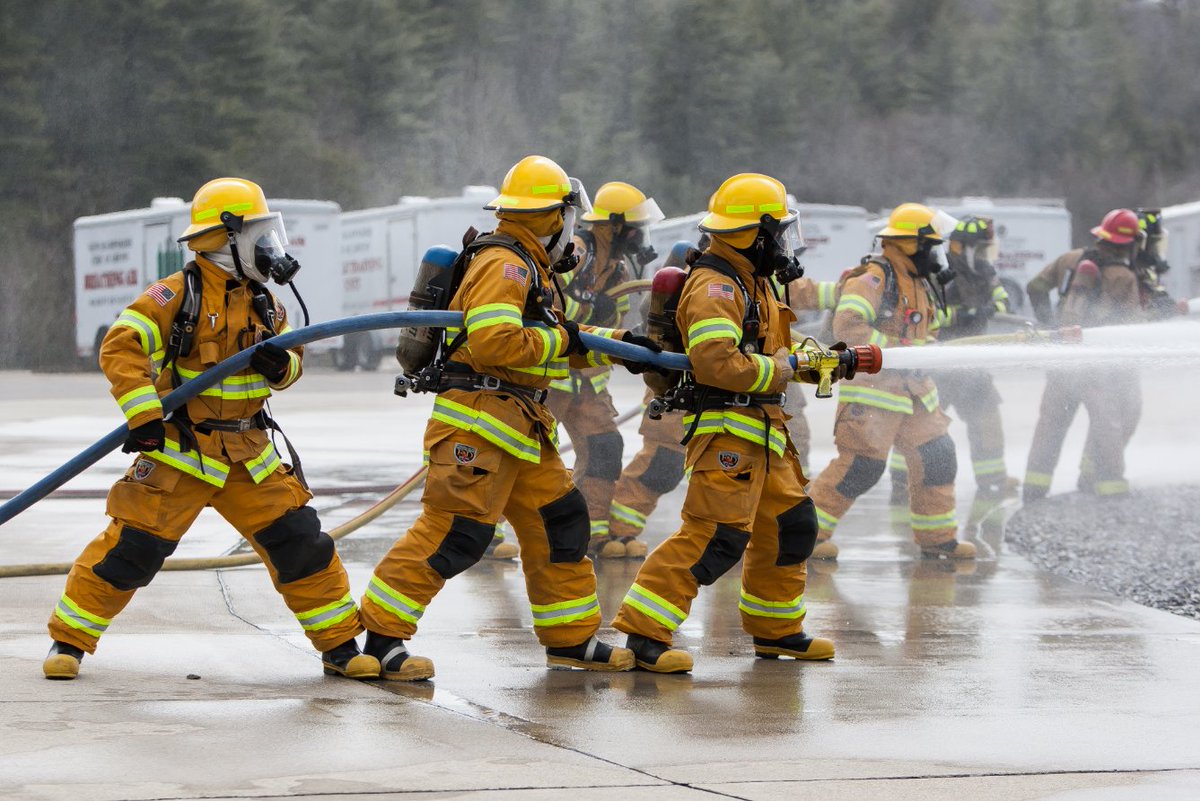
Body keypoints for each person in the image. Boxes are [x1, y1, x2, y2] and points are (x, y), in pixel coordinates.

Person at [43, 178, 378, 681]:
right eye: (259, 237)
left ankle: (340, 647)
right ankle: (68, 643)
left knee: (301, 544)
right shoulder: (175, 294)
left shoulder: (267, 302)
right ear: (227, 238)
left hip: (248, 452)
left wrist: (277, 366)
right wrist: (144, 417)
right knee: (131, 550)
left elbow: (293, 366)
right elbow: (122, 346)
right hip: (182, 451)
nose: (270, 249)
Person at [360, 156, 660, 679]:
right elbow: (495, 341)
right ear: (550, 215)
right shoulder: (507, 263)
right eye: (567, 217)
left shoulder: (529, 263)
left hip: (518, 427)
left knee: (560, 523)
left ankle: (571, 639)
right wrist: (563, 339)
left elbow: (554, 341)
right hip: (479, 423)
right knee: (455, 533)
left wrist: (620, 345)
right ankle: (381, 640)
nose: (572, 229)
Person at [611, 173, 842, 673]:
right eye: (778, 232)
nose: (784, 243)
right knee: (715, 536)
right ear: (755, 233)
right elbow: (717, 361)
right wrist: (785, 369)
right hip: (728, 428)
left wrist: (816, 358)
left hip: (762, 428)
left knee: (791, 526)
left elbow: (767, 350)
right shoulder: (716, 285)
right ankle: (644, 634)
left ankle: (777, 630)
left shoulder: (751, 280)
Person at [607, 257, 837, 558]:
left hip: (760, 400)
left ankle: (757, 535)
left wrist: (844, 294)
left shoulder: (763, 276)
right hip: (695, 398)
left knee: (774, 481)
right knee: (663, 468)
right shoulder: (714, 282)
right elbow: (717, 358)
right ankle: (616, 532)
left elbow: (804, 298)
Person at [807, 203, 976, 561]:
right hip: (875, 393)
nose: (937, 253)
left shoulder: (918, 281)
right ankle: (804, 535)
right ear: (911, 244)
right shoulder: (874, 278)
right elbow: (849, 326)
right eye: (932, 246)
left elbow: (923, 329)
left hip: (916, 393)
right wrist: (900, 350)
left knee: (939, 457)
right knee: (861, 468)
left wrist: (924, 347)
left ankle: (938, 540)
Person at [546, 181, 664, 558]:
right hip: (548, 377)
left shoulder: (617, 269)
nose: (639, 236)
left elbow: (612, 320)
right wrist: (586, 311)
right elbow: (544, 305)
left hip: (585, 384)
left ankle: (591, 534)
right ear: (610, 226)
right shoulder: (574, 254)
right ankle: (489, 533)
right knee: (522, 453)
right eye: (634, 227)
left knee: (604, 448)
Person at [889, 216, 1017, 498]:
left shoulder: (983, 270)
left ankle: (993, 480)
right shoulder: (939, 271)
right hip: (939, 363)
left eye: (987, 249)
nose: (985, 255)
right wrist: (963, 314)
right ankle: (901, 482)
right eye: (981, 249)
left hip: (972, 364)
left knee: (987, 420)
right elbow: (926, 313)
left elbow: (1004, 300)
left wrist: (990, 307)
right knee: (921, 426)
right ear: (961, 247)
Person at [1023, 209, 1146, 500]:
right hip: (1094, 368)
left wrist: (1047, 324)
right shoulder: (1123, 277)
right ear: (1128, 245)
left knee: (1051, 425)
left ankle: (1034, 490)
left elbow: (1035, 287)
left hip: (1062, 361)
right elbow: (1132, 327)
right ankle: (1110, 487)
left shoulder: (1070, 260)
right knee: (1107, 424)